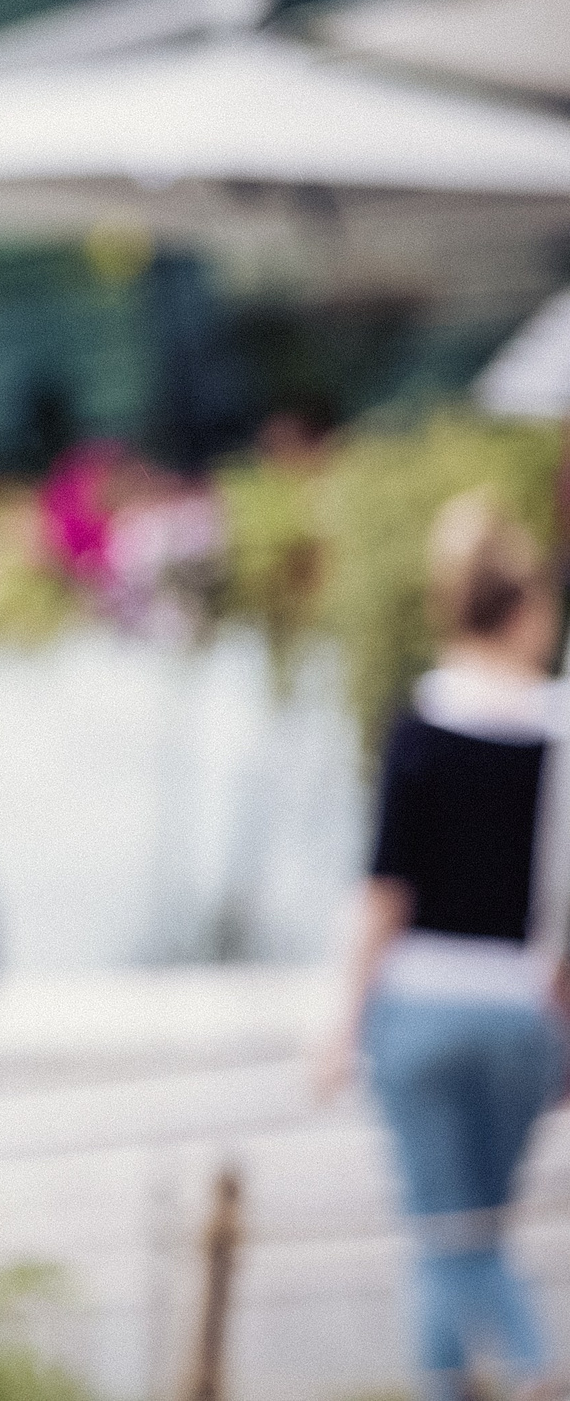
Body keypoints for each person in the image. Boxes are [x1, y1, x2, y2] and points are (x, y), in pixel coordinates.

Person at [319, 491, 569, 1401]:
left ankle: (535, 1368)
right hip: (521, 1011)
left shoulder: (422, 724)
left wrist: (341, 1020)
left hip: (422, 1009)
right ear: (525, 607)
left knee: (446, 1234)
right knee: (467, 1229)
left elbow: (386, 890)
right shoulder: (557, 730)